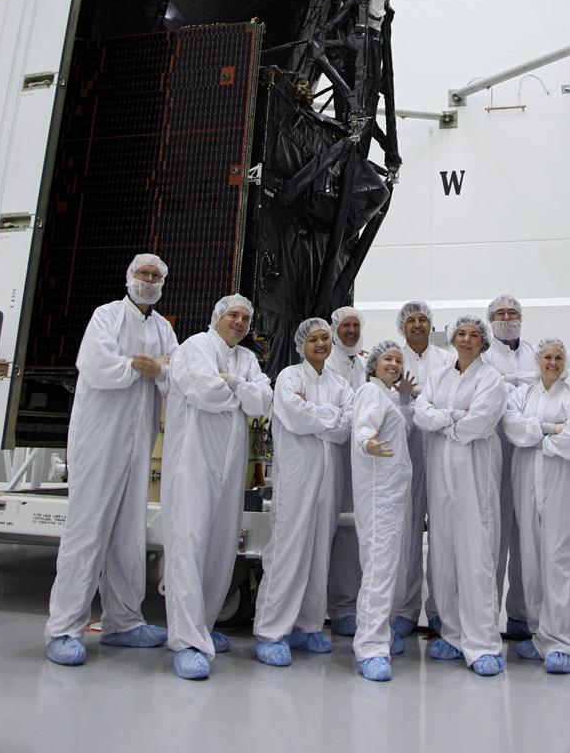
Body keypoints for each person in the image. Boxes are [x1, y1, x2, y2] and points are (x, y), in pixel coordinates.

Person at [45, 254, 178, 665]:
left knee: (127, 535)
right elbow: (97, 366)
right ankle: (64, 628)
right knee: (87, 530)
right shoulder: (106, 316)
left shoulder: (162, 328)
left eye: (156, 276)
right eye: (143, 273)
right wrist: (146, 367)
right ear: (129, 277)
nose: (149, 280)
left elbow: (177, 371)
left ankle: (123, 622)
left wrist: (152, 367)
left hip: (138, 443)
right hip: (99, 439)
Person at [162, 294, 273, 680]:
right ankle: (186, 640)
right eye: (233, 315)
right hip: (193, 464)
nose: (240, 322)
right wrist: (239, 392)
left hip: (229, 469)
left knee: (221, 548)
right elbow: (204, 392)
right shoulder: (195, 346)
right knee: (189, 545)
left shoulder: (247, 360)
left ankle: (204, 626)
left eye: (245, 317)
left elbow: (262, 401)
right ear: (217, 317)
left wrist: (234, 384)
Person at [253, 318, 354, 666]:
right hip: (297, 477)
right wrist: (330, 416)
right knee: (288, 548)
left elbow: (347, 426)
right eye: (314, 339)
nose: (322, 344)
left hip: (329, 477)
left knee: (318, 551)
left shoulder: (340, 383)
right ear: (301, 345)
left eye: (326, 338)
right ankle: (271, 630)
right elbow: (296, 417)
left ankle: (308, 625)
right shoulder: (289, 378)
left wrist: (318, 415)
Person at [414, 313, 507, 677]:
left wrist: (445, 420)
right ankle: (453, 634)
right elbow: (423, 414)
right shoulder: (438, 376)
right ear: (452, 338)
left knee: (476, 554)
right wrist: (454, 417)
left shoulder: (491, 379)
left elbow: (480, 423)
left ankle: (482, 641)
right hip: (441, 477)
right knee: (445, 552)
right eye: (461, 334)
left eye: (473, 335)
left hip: (474, 475)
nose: (466, 339)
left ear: (482, 341)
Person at [503, 337, 570, 673]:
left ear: (564, 362)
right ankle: (541, 635)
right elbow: (513, 429)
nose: (552, 362)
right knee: (533, 559)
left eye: (557, 357)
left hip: (561, 487)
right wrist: (551, 430)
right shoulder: (522, 394)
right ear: (537, 361)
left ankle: (565, 641)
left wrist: (539, 437)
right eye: (547, 357)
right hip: (527, 484)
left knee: (560, 559)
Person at [351, 338, 416, 681]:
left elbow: (402, 427)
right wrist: (366, 441)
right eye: (387, 359)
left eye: (397, 359)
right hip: (378, 495)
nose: (393, 363)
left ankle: (381, 635)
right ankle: (371, 648)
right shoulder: (370, 393)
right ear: (373, 364)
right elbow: (364, 424)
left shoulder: (387, 395)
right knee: (378, 569)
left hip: (391, 496)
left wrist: (404, 398)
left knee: (385, 566)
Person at [392, 299, 451, 635]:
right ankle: (404, 609)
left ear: (431, 325)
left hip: (441, 450)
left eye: (423, 320)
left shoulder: (447, 359)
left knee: (443, 531)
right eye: (411, 320)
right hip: (406, 452)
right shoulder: (394, 359)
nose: (417, 325)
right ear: (403, 326)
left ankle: (441, 609)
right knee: (406, 531)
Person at [485, 293, 537, 638]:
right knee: (495, 536)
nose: (507, 317)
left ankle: (522, 615)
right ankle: (488, 618)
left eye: (512, 312)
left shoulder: (536, 352)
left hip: (532, 455)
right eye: (501, 313)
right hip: (496, 456)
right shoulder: (485, 356)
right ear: (491, 320)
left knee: (528, 538)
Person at [325, 306, 367, 636]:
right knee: (329, 527)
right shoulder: (328, 362)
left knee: (351, 528)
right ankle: (333, 604)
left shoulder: (361, 363)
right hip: (331, 453)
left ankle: (347, 604)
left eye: (355, 325)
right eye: (345, 326)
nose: (351, 331)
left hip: (357, 456)